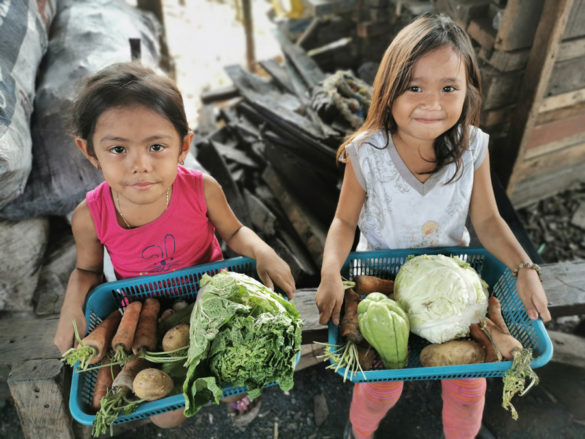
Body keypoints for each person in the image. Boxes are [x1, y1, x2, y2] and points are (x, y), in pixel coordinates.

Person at [314, 13, 552, 439]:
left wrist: (525, 268)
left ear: (467, 92)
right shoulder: (366, 153)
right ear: (388, 90)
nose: (432, 102)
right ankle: (360, 432)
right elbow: (344, 219)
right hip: (381, 289)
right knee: (380, 383)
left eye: (449, 88)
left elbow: (487, 219)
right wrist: (331, 272)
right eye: (414, 87)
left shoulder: (473, 147)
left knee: (467, 383)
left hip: (452, 290)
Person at [53, 62, 296, 428]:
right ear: (89, 152)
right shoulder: (90, 215)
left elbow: (234, 232)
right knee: (167, 417)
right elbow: (86, 270)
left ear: (183, 147)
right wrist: (71, 310)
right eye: (118, 149)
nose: (140, 165)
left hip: (212, 299)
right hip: (144, 316)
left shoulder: (202, 190)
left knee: (240, 370)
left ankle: (234, 395)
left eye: (156, 146)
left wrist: (263, 251)